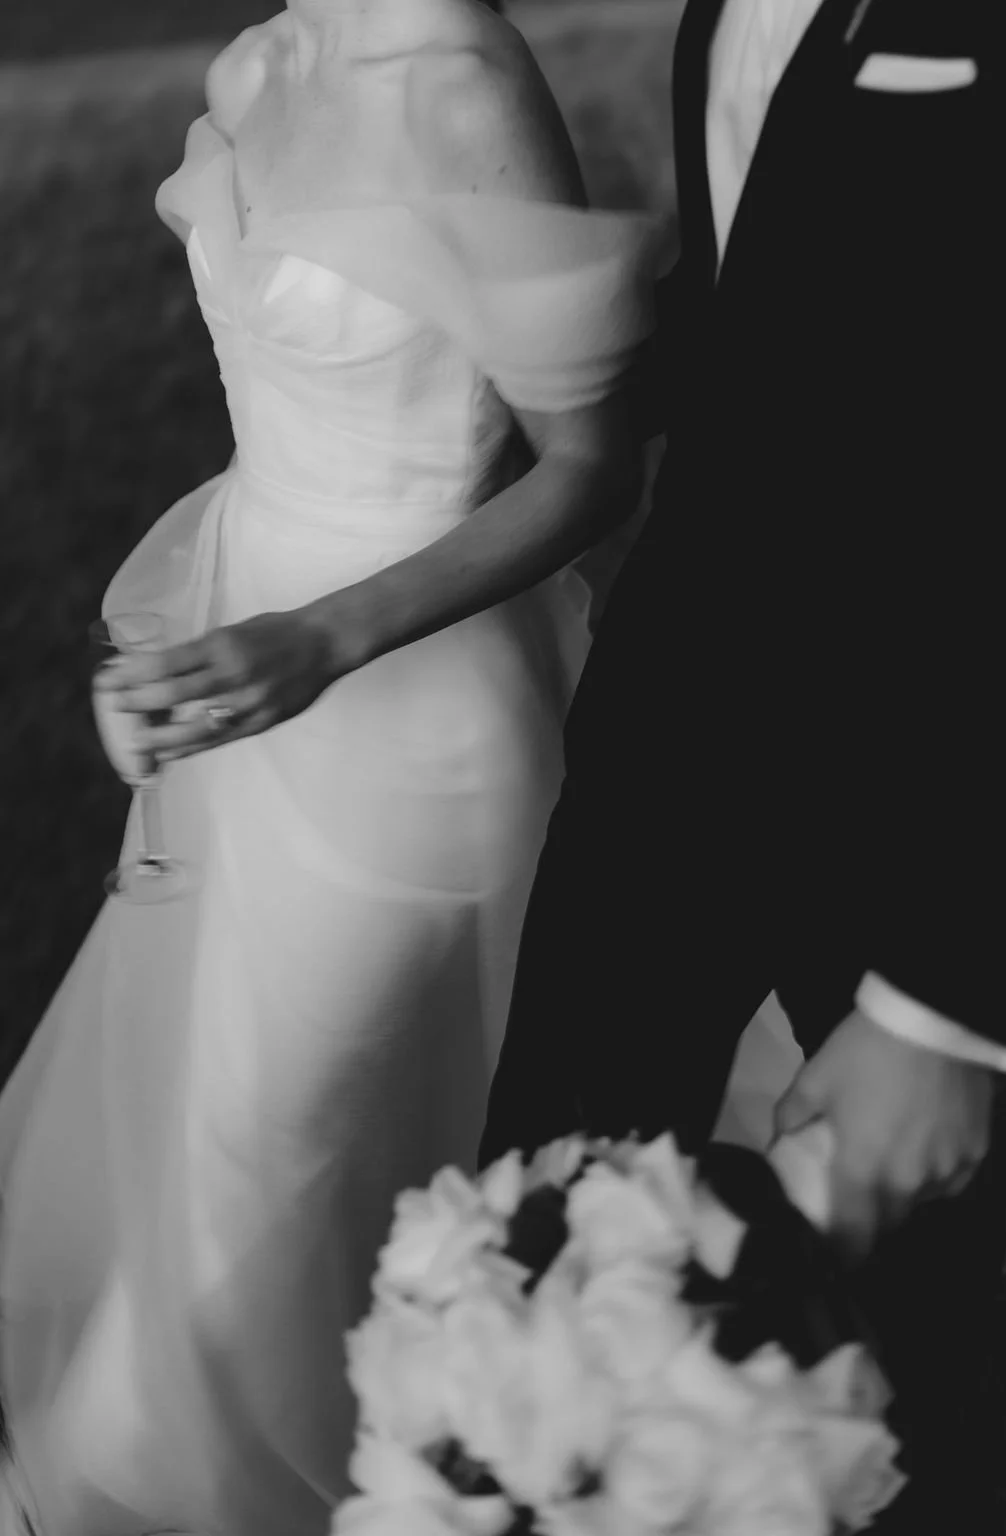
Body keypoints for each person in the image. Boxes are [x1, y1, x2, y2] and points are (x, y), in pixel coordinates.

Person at [0, 2, 661, 1530]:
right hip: (247, 661)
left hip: (408, 715)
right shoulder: (265, 58)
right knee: (227, 1128)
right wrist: (214, 645)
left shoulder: (465, 84)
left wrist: (323, 640)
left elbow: (589, 467)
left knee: (293, 1152)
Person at [481, 0, 1006, 1530]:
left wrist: (959, 1005)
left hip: (927, 819)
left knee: (877, 1380)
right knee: (535, 1257)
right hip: (674, 746)